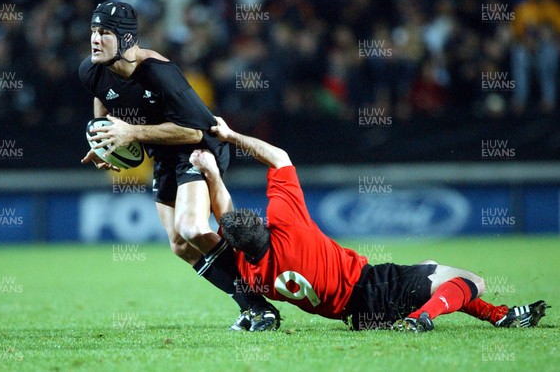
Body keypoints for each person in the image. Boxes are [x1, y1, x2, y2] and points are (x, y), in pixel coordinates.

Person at [188, 116, 549, 332]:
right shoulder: (288, 225)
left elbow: (226, 217)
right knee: (472, 281)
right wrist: (231, 138)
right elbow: (279, 158)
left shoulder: (252, 274)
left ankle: (500, 316)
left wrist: (209, 174)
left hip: (359, 316)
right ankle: (423, 318)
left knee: (430, 270)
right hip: (373, 287)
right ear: (266, 226)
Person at [78, 1, 279, 331]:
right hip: (164, 152)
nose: (95, 40)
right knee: (180, 245)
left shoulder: (160, 73)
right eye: (93, 32)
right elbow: (101, 93)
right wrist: (103, 139)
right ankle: (251, 307)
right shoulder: (91, 69)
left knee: (193, 228)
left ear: (127, 39)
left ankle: (261, 298)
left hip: (198, 148)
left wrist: (132, 131)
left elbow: (197, 129)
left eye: (105, 33)